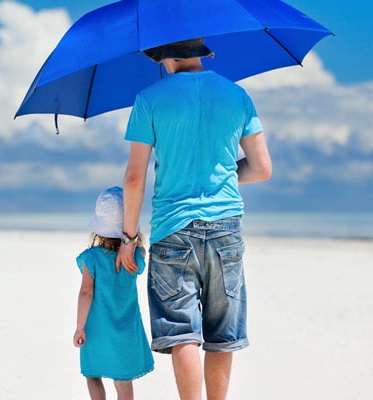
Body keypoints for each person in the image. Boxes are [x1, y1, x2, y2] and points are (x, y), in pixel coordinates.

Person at [115, 38, 273, 400]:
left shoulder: (150, 99)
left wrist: (128, 237)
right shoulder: (238, 95)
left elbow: (135, 178)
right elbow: (262, 168)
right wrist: (221, 174)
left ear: (167, 56)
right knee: (222, 333)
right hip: (226, 227)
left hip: (173, 228)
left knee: (181, 330)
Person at [73, 186, 154, 400]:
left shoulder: (91, 258)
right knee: (123, 381)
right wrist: (131, 238)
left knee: (92, 374)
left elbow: (86, 293)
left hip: (96, 328)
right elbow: (142, 249)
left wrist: (80, 327)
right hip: (126, 330)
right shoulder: (134, 257)